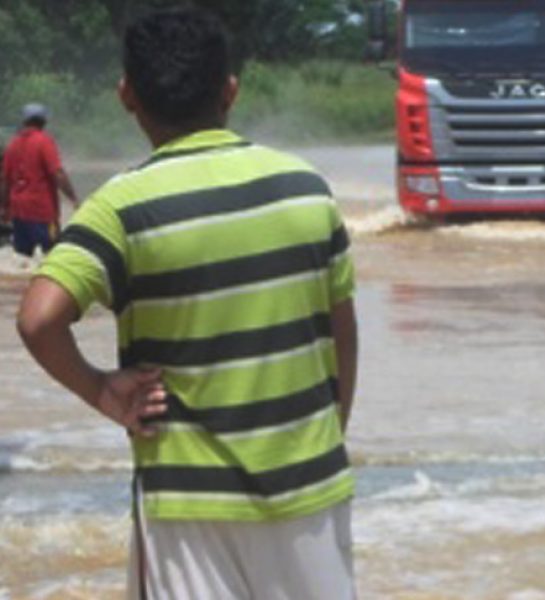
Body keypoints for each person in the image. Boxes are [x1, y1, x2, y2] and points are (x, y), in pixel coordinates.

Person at [15, 8, 358, 599]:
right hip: (309, 487)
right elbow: (342, 336)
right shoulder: (306, 188)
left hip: (184, 503)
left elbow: (39, 318)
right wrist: (325, 438)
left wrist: (101, 389)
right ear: (230, 90)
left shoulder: (122, 206)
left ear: (127, 96)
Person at [0, 104, 79, 257]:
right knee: (52, 255)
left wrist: (3, 207)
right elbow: (58, 173)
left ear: (24, 121)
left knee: (23, 258)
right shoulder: (44, 141)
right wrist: (73, 198)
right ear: (44, 121)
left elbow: (5, 182)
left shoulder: (12, 145)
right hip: (42, 212)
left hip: (19, 213)